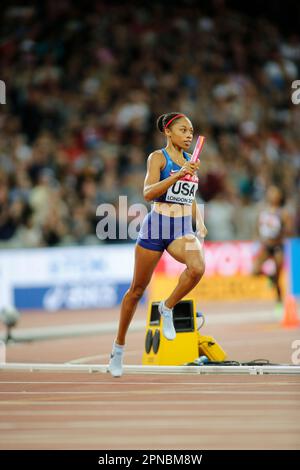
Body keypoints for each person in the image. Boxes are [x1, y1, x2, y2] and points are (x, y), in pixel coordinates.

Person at [108, 112, 207, 377]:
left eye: (191, 131)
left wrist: (199, 222)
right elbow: (148, 192)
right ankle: (118, 348)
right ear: (168, 132)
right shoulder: (157, 158)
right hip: (156, 227)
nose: (189, 135)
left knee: (197, 268)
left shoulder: (192, 161)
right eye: (184, 130)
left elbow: (190, 195)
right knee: (136, 291)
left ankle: (167, 307)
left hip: (180, 229)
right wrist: (177, 175)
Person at [252, 185, 292, 308]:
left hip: (278, 246)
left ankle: (279, 300)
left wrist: (279, 234)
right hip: (266, 245)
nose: (272, 195)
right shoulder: (263, 211)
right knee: (255, 271)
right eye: (270, 193)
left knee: (278, 275)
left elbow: (289, 230)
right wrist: (259, 239)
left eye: (275, 193)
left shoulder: (283, 213)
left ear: (279, 196)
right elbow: (258, 227)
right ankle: (271, 278)